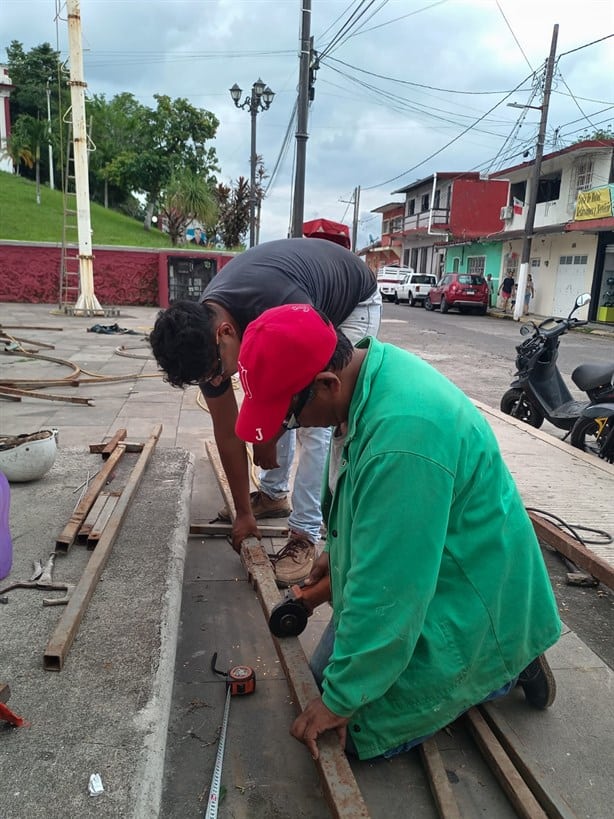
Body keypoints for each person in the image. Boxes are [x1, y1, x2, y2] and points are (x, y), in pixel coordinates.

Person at [234, 304, 562, 761]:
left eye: (289, 417)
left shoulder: (403, 439)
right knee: (326, 680)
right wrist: (337, 549)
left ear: (326, 384)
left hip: (469, 585)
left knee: (348, 731)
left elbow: (392, 591)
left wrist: (341, 702)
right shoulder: (363, 378)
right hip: (437, 556)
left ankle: (503, 658)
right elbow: (357, 495)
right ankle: (502, 647)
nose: (291, 427)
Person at [149, 238, 381, 587]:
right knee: (273, 400)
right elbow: (227, 431)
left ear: (225, 333)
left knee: (315, 418)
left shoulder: (279, 302)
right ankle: (272, 495)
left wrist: (269, 435)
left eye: (216, 372)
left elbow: (303, 390)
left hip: (350, 301)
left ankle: (305, 532)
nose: (215, 382)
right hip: (294, 289)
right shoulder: (203, 338)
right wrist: (243, 513)